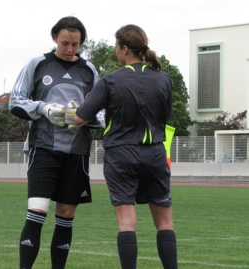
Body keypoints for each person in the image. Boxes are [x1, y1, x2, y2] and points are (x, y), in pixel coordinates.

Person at [74, 24, 178, 269]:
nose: (115, 53)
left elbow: (80, 117)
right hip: (154, 153)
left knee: (126, 223)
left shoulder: (110, 80)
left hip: (121, 155)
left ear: (124, 48)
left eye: (116, 48)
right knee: (164, 222)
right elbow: (165, 117)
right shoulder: (164, 79)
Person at [9, 16, 102, 269]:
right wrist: (44, 108)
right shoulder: (38, 64)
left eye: (76, 44)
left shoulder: (89, 70)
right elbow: (15, 102)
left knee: (66, 215)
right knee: (37, 212)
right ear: (54, 38)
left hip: (77, 153)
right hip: (43, 149)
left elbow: (102, 112)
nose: (70, 49)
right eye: (65, 43)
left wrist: (84, 117)